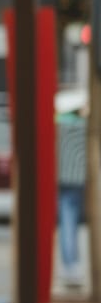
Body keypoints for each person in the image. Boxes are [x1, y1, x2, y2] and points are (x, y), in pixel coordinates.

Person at [56, 100, 88, 288]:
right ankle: (72, 264)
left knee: (66, 222)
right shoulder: (83, 128)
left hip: (63, 179)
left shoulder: (60, 127)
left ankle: (69, 264)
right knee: (72, 223)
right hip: (78, 179)